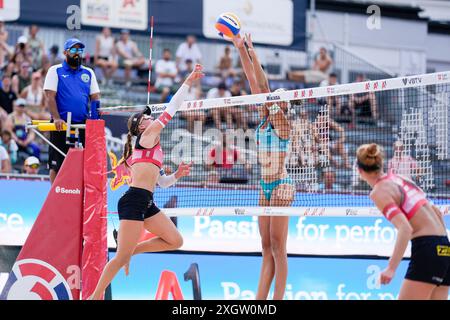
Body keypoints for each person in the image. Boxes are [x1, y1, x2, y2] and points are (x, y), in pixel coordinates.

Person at [89, 64, 204, 300]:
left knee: (175, 240)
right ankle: (94, 296)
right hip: (133, 200)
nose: (150, 117)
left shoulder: (151, 147)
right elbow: (172, 107)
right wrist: (188, 81)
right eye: (146, 117)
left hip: (146, 200)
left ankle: (130, 250)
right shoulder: (148, 136)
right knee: (120, 258)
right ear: (141, 125)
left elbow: (161, 183)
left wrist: (177, 176)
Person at [233, 34, 295, 300]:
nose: (271, 99)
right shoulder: (264, 119)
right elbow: (255, 82)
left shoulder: (283, 124)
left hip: (281, 185)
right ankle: (260, 301)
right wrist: (244, 50)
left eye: (276, 99)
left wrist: (253, 56)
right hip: (264, 185)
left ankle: (277, 300)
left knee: (279, 248)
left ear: (283, 105)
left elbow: (261, 87)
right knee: (265, 246)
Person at [356, 143, 449, 299]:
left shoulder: (378, 191)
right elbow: (437, 212)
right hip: (445, 247)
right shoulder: (400, 178)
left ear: (359, 170)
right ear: (380, 164)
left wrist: (391, 268)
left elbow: (405, 229)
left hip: (427, 248)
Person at [43, 38, 101, 184]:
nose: (77, 53)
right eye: (73, 50)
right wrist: (56, 118)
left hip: (82, 124)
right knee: (56, 163)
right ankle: (55, 199)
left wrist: (94, 122)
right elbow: (50, 97)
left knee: (86, 162)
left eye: (80, 50)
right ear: (65, 52)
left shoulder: (89, 72)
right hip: (60, 123)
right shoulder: (55, 70)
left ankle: (81, 197)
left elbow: (95, 98)